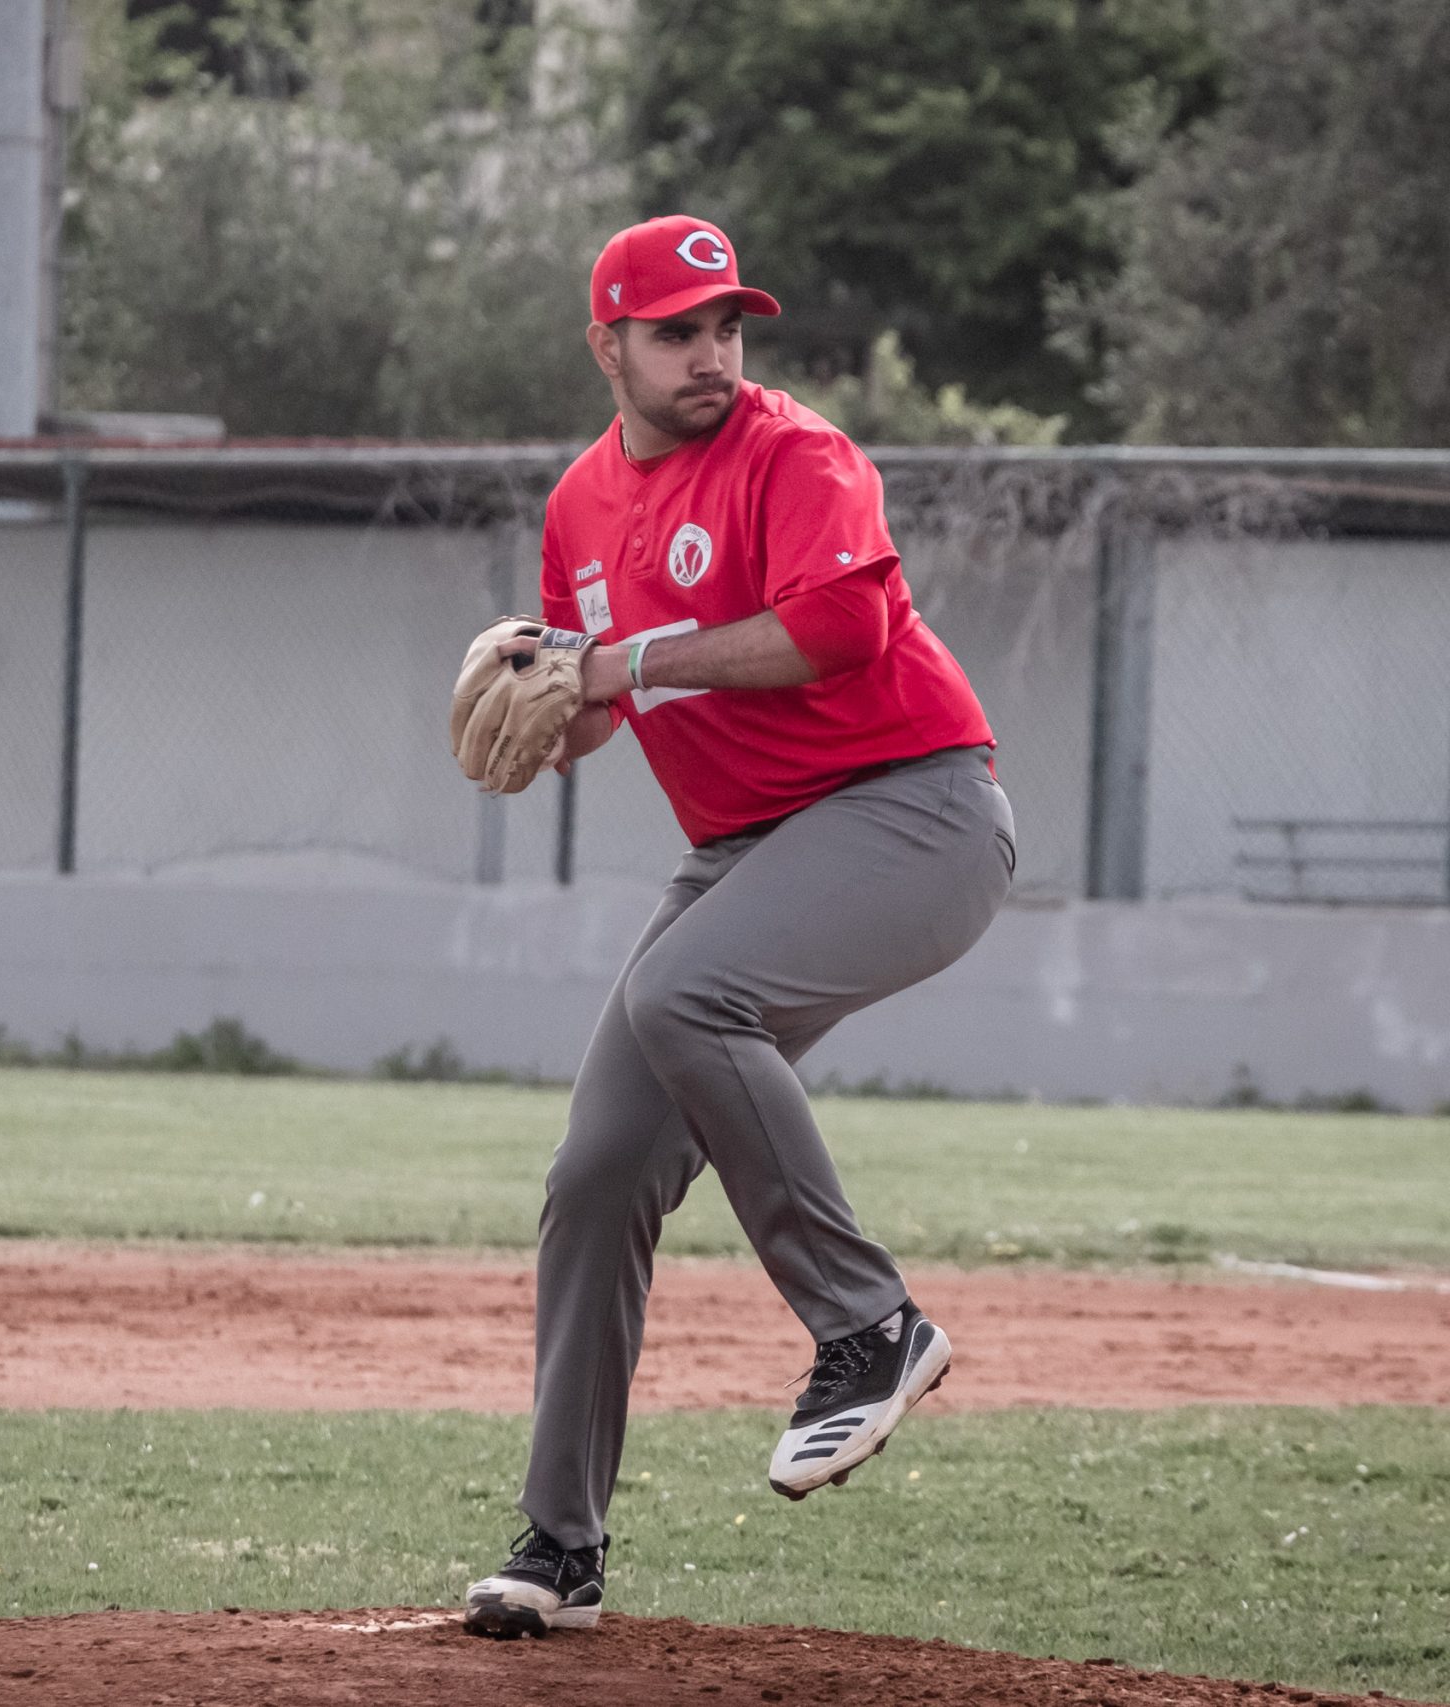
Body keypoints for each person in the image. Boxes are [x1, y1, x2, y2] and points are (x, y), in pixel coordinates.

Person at [462, 217, 1016, 1638]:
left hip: (915, 810)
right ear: (608, 344)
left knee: (686, 996)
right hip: (746, 847)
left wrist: (625, 657)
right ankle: (559, 1548)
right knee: (595, 1174)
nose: (712, 354)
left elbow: (830, 635)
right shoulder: (581, 504)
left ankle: (868, 1326)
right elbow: (604, 695)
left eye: (728, 327)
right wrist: (545, 705)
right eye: (677, 330)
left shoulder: (795, 454)